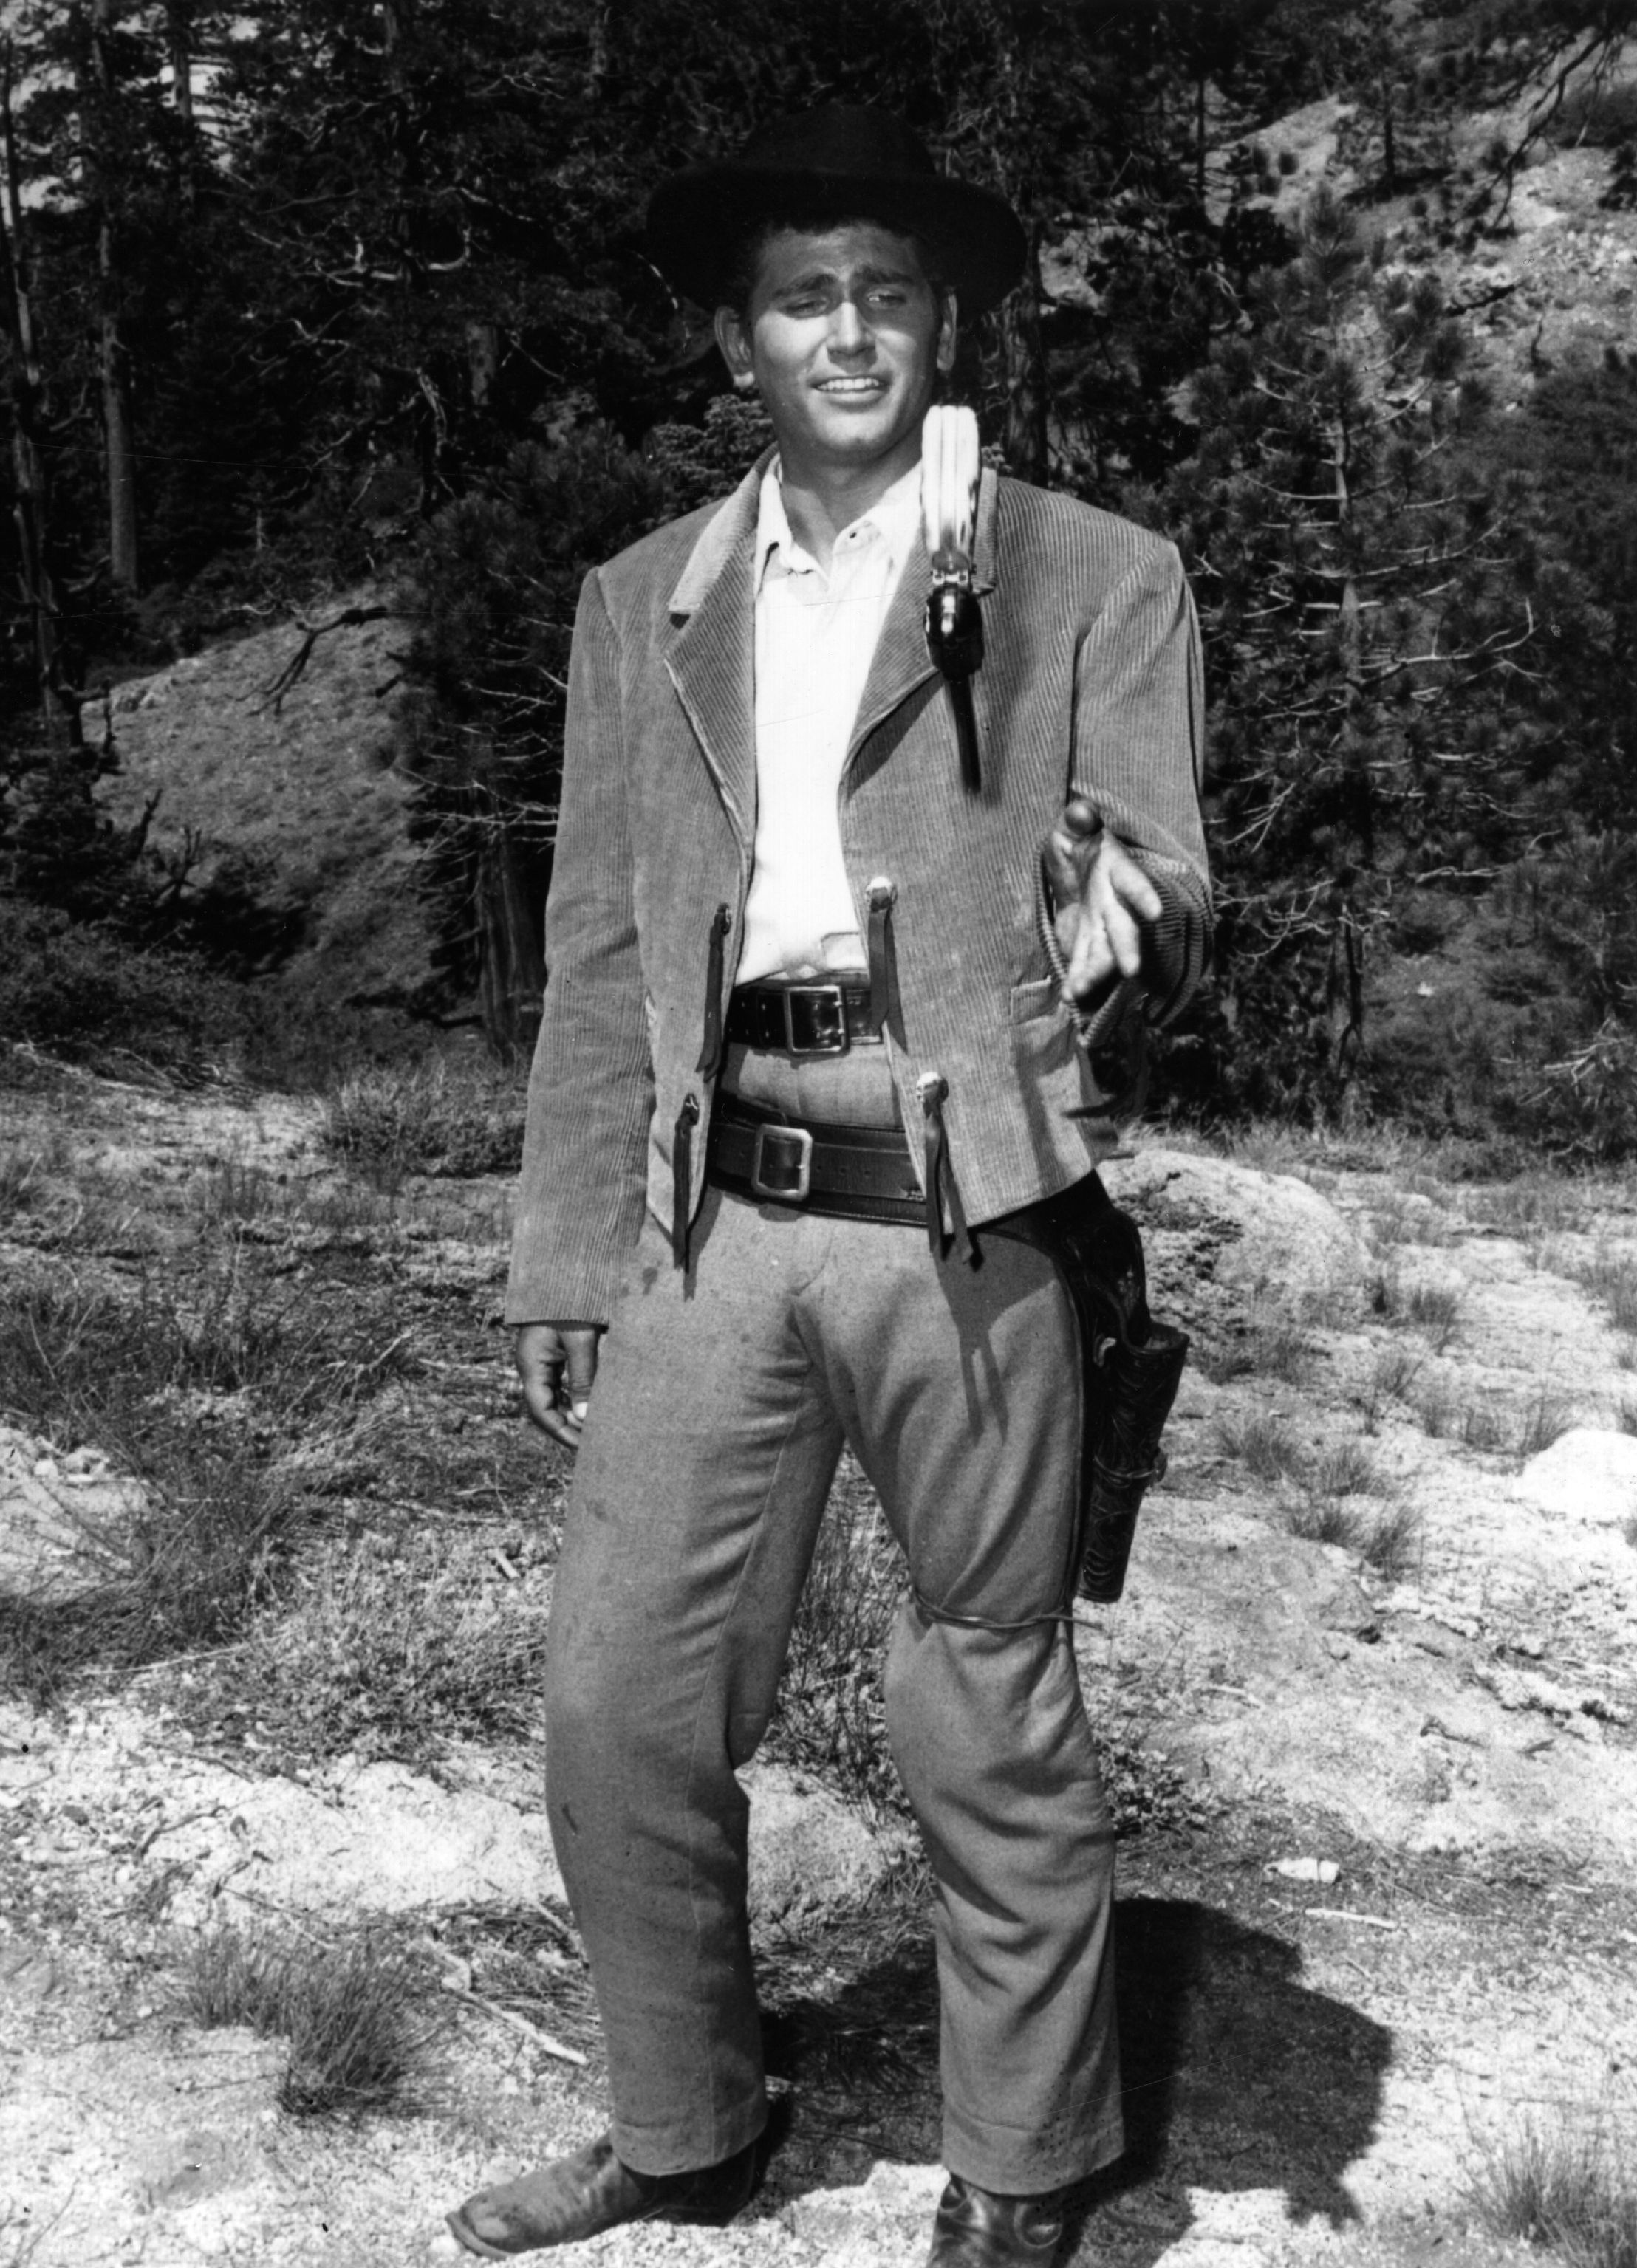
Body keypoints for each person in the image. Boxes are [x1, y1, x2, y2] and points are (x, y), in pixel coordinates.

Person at [447, 104, 1209, 2268]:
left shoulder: (1088, 572)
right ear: (739, 339)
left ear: (941, 317)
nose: (848, 331)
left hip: (970, 1213)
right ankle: (683, 2124)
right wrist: (567, 1248)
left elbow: (1160, 869)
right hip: (715, 1214)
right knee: (620, 1693)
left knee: (984, 1693)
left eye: (886, 293)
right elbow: (600, 944)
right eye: (805, 298)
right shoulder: (642, 600)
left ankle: (1028, 2162)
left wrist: (1099, 915)